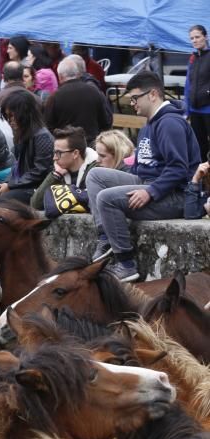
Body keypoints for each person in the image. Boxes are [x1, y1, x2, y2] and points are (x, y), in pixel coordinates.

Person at [84, 71, 201, 282]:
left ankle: (126, 264)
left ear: (153, 94)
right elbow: (140, 169)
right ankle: (105, 237)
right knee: (95, 175)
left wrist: (151, 192)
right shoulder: (149, 124)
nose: (132, 103)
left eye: (135, 98)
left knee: (107, 199)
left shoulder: (169, 124)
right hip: (147, 183)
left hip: (174, 195)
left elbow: (178, 169)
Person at [0, 89, 54, 204]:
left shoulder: (42, 136)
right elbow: (17, 166)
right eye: (7, 116)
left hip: (37, 189)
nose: (10, 121)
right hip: (23, 185)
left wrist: (11, 185)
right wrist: (7, 183)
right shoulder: (24, 135)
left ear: (24, 114)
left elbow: (40, 171)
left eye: (12, 116)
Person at [30, 125, 100, 215]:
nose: (55, 158)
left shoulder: (94, 171)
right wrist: (56, 175)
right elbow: (35, 205)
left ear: (75, 153)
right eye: (54, 152)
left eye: (59, 153)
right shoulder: (59, 170)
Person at [45, 56, 113, 145]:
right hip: (92, 145)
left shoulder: (54, 97)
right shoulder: (94, 91)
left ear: (60, 77)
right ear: (78, 74)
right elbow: (106, 121)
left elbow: (48, 127)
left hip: (67, 147)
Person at [186, 24, 210, 161]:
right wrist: (187, 108)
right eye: (192, 38)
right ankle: (202, 178)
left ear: (205, 37)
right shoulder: (193, 58)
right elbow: (188, 84)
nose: (194, 40)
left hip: (208, 108)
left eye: (197, 37)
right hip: (195, 109)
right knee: (199, 146)